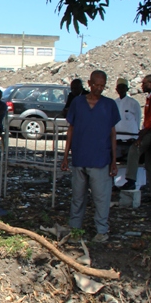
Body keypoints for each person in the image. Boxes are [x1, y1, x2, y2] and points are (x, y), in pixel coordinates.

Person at [60, 70, 120, 241]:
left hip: (101, 160)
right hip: (79, 158)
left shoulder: (109, 105)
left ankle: (101, 231)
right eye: (96, 85)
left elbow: (113, 133)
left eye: (102, 86)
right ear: (89, 83)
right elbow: (70, 130)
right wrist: (65, 156)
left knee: (101, 198)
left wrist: (114, 161)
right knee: (77, 198)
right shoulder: (78, 103)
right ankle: (75, 230)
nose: (99, 89)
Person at [121, 74, 151, 201]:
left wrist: (141, 136)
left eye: (144, 83)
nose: (142, 85)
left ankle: (130, 180)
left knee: (134, 150)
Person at [113, 77, 142, 159]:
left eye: (123, 87)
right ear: (116, 89)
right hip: (117, 137)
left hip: (130, 138)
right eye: (119, 87)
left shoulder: (133, 103)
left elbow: (137, 119)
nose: (121, 89)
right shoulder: (114, 103)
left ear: (127, 89)